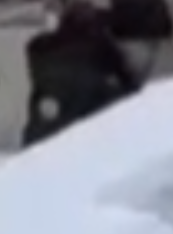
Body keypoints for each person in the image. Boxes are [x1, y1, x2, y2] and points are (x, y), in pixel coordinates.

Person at [21, 0, 141, 149]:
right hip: (83, 143)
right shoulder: (102, 51)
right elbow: (129, 89)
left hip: (41, 142)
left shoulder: (42, 55)